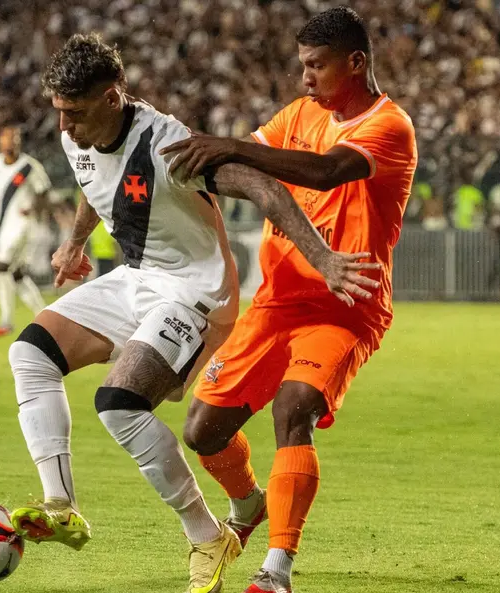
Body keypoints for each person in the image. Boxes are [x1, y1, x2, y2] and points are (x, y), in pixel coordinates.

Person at [5, 33, 381, 593]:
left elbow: (262, 188)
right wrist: (76, 242)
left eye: (75, 113)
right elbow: (92, 179)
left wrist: (323, 257)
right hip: (136, 278)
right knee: (29, 354)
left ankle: (207, 536)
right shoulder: (78, 134)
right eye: (59, 112)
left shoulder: (168, 147)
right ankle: (61, 505)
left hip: (194, 293)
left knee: (119, 405)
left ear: (112, 97)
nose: (65, 126)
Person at [161, 8, 418, 593]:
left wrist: (229, 146)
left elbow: (325, 172)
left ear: (355, 63)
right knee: (202, 431)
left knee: (292, 408)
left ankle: (276, 569)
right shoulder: (299, 114)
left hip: (345, 304)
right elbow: (241, 165)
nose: (305, 78)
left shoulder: (390, 126)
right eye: (302, 65)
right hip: (275, 302)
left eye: (316, 66)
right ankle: (248, 502)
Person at [0, 126, 51, 336]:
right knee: (17, 275)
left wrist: (33, 208)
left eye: (15, 139)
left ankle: (6, 321)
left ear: (20, 142)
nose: (11, 143)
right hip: (4, 227)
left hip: (24, 226)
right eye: (6, 139)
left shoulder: (30, 167)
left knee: (0, 266)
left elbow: (43, 193)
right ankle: (46, 317)